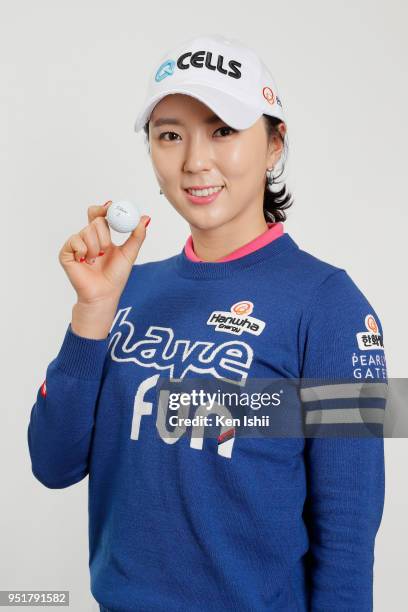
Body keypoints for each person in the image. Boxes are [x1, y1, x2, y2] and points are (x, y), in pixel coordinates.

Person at [27, 34, 388, 611]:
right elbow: (52, 464)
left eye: (223, 130)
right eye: (170, 135)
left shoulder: (333, 306)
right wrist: (91, 316)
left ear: (274, 144)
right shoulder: (128, 290)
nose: (194, 161)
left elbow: (348, 530)